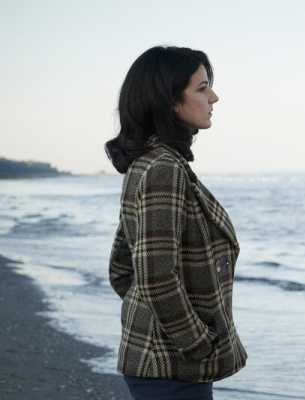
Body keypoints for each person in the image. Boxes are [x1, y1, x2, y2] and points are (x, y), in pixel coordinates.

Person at [106, 46, 247, 400]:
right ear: (170, 101)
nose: (213, 97)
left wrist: (149, 318)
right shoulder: (164, 169)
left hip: (161, 361)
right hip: (171, 367)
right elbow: (154, 277)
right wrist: (196, 342)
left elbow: (122, 266)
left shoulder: (150, 162)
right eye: (202, 88)